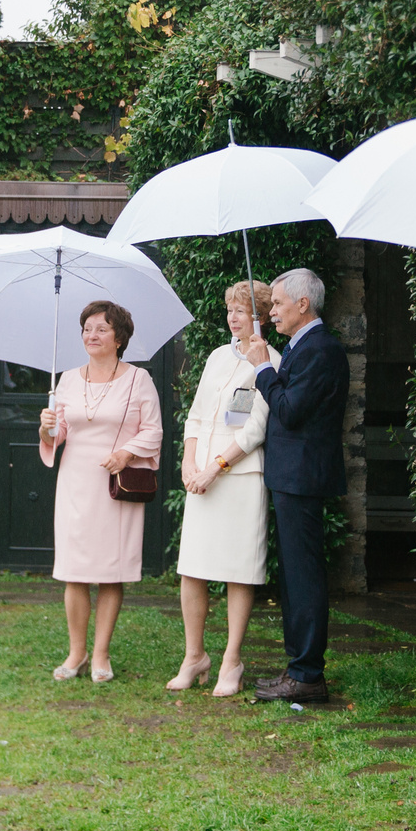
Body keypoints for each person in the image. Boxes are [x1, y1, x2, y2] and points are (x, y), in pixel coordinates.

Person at [37, 299, 162, 682]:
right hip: (75, 484)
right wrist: (46, 428)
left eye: (101, 329)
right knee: (74, 573)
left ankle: (101, 655)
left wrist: (126, 453)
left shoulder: (139, 380)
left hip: (115, 488)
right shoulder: (68, 381)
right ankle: (76, 653)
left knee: (110, 573)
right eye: (87, 328)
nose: (91, 335)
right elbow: (60, 435)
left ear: (119, 338)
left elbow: (153, 430)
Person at [170, 280, 280, 698]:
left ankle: (232, 660)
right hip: (201, 476)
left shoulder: (271, 360)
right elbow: (197, 416)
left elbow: (255, 430)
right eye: (230, 309)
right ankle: (194, 655)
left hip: (240, 477)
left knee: (238, 571)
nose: (232, 317)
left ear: (262, 315)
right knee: (192, 568)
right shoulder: (217, 356)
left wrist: (215, 469)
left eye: (241, 310)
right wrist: (189, 463)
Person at [248, 268, 349, 703]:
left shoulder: (321, 350)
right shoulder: (301, 346)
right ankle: (298, 669)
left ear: (302, 305)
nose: (271, 312)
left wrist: (262, 371)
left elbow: (289, 410)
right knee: (292, 576)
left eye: (277, 304)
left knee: (303, 576)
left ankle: (308, 674)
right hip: (291, 476)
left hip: (303, 477)